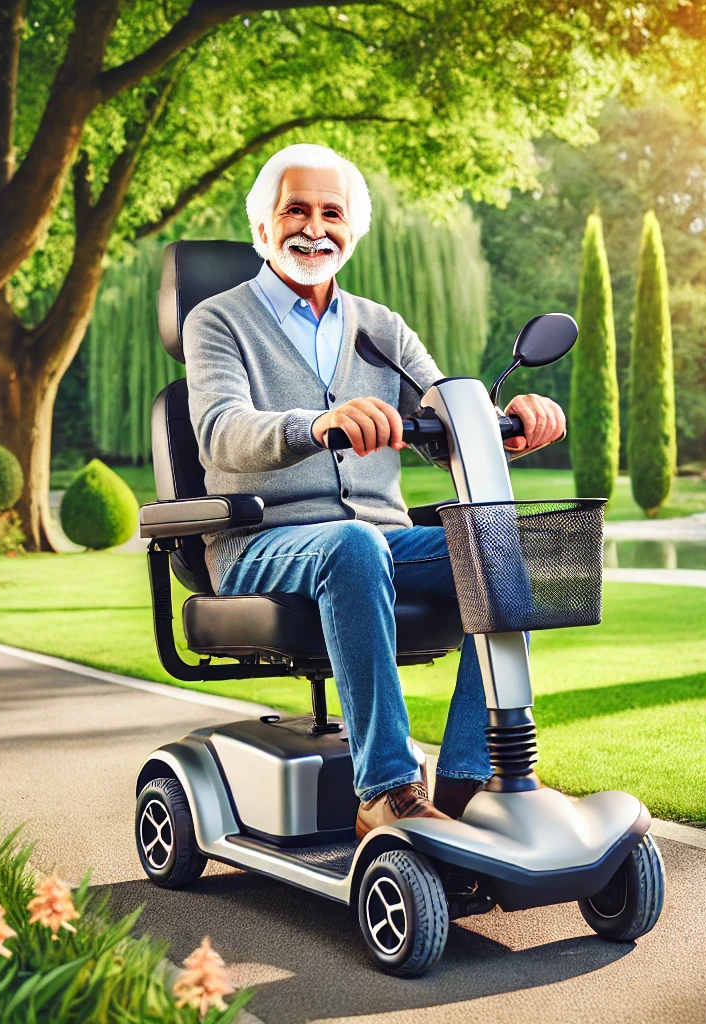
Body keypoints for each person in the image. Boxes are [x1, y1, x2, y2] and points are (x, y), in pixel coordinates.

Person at [182, 143, 565, 838]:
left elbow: (444, 409)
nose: (314, 227)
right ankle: (387, 791)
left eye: (332, 213)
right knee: (353, 546)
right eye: (295, 209)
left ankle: (468, 782)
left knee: (511, 548)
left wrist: (506, 423)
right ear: (263, 228)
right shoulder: (217, 320)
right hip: (259, 540)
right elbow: (222, 432)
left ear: (352, 232)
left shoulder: (382, 328)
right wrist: (317, 424)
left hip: (375, 539)